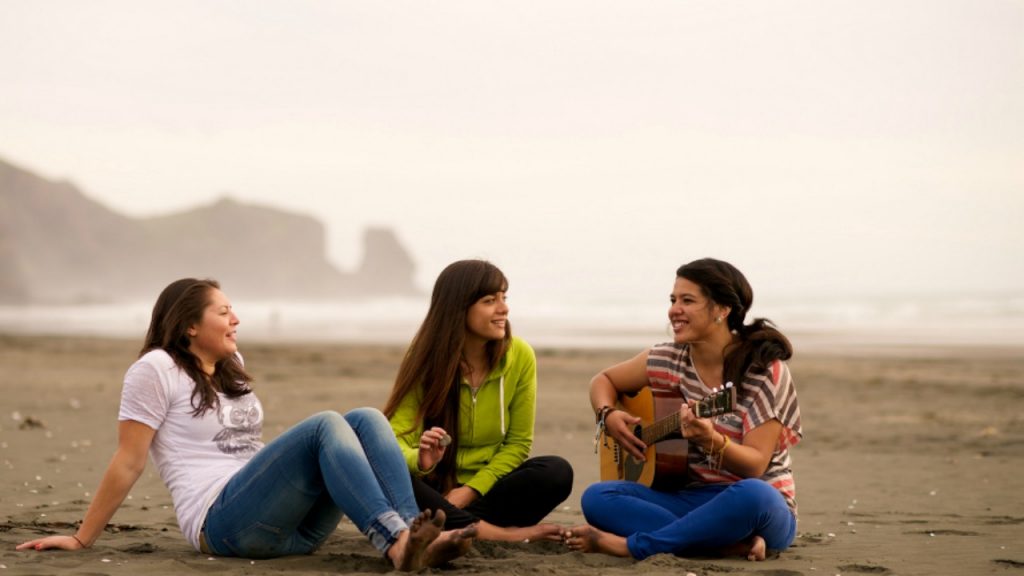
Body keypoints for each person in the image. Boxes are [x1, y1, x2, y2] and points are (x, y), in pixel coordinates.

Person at [17, 278, 474, 570]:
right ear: (189, 326)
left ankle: (415, 534)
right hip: (224, 525)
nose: (236, 319)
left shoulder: (232, 362)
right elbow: (128, 461)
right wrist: (82, 538)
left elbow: (249, 450)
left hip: (293, 531)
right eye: (223, 311)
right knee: (325, 425)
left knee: (366, 418)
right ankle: (396, 541)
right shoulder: (154, 369)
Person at [563, 258, 802, 561]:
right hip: (688, 498)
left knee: (755, 494)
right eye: (673, 299)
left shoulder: (764, 370)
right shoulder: (668, 358)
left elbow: (755, 466)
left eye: (687, 300)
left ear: (722, 309)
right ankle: (723, 546)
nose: (674, 309)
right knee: (598, 497)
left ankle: (632, 545)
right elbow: (603, 380)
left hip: (754, 506)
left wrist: (710, 440)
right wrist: (607, 415)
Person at [383, 259, 573, 542]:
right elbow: (393, 442)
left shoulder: (520, 356)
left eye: (503, 298)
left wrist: (470, 490)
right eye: (489, 300)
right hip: (433, 490)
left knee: (556, 472)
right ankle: (497, 535)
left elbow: (518, 444)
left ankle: (458, 525)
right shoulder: (424, 359)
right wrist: (421, 461)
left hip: (486, 492)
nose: (504, 308)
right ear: (458, 307)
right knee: (383, 470)